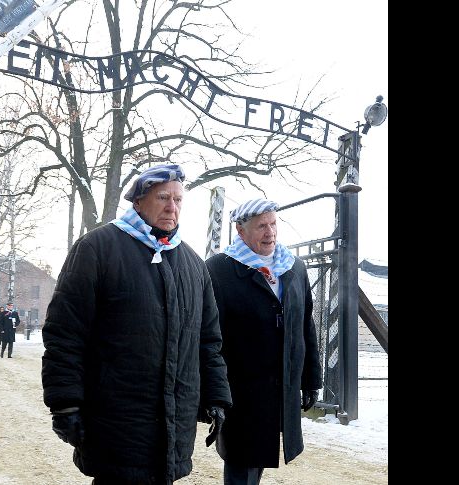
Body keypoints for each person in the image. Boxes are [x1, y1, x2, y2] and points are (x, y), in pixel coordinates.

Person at [42, 163, 231, 484]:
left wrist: (215, 397)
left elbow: (208, 341)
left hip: (174, 422)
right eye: (162, 197)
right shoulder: (97, 249)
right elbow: (65, 334)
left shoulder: (193, 264)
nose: (172, 207)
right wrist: (65, 403)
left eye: (178, 199)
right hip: (115, 420)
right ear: (139, 201)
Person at [204, 198, 322, 485]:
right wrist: (212, 393)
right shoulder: (218, 270)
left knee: (256, 461)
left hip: (279, 387)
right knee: (242, 462)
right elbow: (206, 336)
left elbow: (305, 325)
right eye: (261, 227)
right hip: (239, 392)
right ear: (240, 231)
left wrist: (311, 380)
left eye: (272, 224)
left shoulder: (293, 268)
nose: (270, 232)